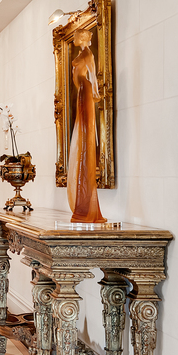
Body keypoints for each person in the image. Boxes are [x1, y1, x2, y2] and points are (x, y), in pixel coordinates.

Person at [67, 28, 105, 223]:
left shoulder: (88, 54)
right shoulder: (82, 53)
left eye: (76, 37)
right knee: (81, 138)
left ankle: (87, 206)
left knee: (86, 138)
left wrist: (96, 94)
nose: (75, 39)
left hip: (86, 93)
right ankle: (82, 205)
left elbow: (92, 75)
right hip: (82, 93)